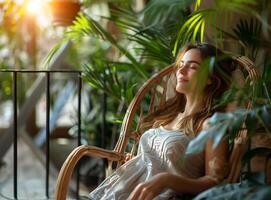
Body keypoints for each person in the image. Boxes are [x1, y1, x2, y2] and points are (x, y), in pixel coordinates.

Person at [88, 42, 236, 200]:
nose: (181, 70)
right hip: (120, 190)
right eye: (181, 64)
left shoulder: (211, 125)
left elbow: (215, 181)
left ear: (210, 78)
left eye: (192, 67)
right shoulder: (169, 116)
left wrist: (168, 180)